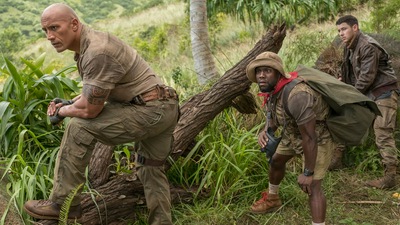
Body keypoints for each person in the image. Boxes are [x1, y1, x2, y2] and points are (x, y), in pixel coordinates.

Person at [23, 3, 179, 224]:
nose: (49, 36)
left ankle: (63, 204)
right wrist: (67, 104)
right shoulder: (89, 45)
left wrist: (62, 112)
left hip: (150, 111)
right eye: (45, 31)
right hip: (164, 106)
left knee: (78, 127)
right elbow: (96, 92)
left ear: (74, 24)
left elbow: (90, 109)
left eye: (55, 28)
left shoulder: (97, 51)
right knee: (150, 169)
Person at [247, 51, 336, 225]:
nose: (261, 76)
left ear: (278, 73)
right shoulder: (273, 91)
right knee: (276, 161)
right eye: (258, 71)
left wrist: (308, 173)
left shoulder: (298, 95)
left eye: (267, 70)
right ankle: (272, 199)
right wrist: (265, 130)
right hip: (293, 133)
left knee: (313, 187)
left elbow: (309, 137)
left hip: (317, 137)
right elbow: (275, 118)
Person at [334, 15, 398, 189]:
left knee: (383, 132)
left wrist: (347, 95)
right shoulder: (350, 47)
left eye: (344, 29)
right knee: (344, 119)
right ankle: (336, 158)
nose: (341, 33)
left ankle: (390, 177)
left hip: (383, 92)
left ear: (355, 27)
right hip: (368, 94)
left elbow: (366, 78)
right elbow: (351, 75)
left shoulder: (368, 46)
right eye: (339, 30)